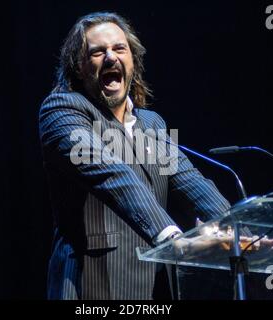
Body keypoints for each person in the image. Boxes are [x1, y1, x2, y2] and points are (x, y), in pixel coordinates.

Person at [39, 12, 232, 300]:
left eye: (119, 48)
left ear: (133, 61)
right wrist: (174, 240)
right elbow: (110, 172)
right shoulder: (62, 110)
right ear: (79, 68)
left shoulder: (151, 122)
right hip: (92, 283)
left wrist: (237, 229)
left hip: (156, 285)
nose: (110, 57)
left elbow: (189, 179)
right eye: (97, 52)